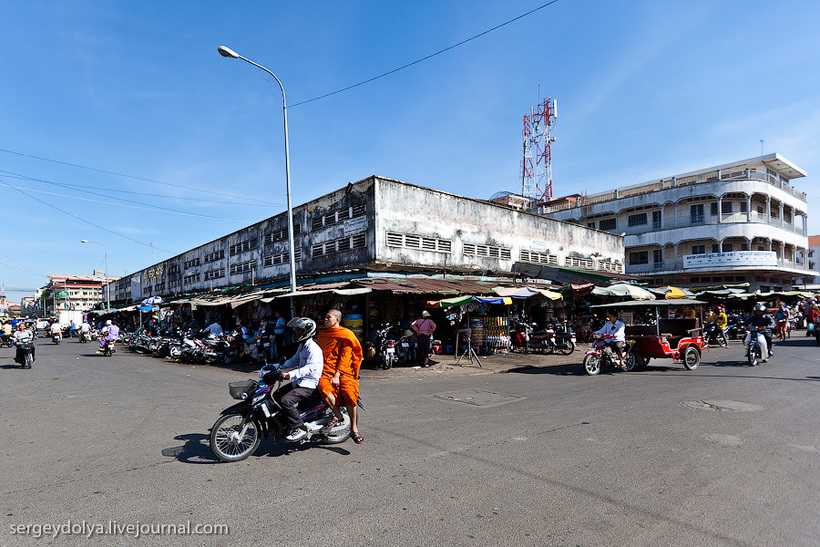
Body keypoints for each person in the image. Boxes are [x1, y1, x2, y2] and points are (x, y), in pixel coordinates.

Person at [260, 317, 323, 441]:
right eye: (297, 330)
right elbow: (293, 361)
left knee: (286, 401)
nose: (296, 332)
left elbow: (309, 368)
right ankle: (287, 419)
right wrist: (275, 366)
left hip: (308, 385)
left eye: (299, 330)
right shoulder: (302, 346)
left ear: (307, 331)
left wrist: (289, 375)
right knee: (277, 395)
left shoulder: (313, 349)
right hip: (300, 382)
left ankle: (299, 427)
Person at [317, 309, 364, 444]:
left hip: (343, 371)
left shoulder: (346, 335)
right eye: (325, 317)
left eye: (329, 317)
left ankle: (354, 428)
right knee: (323, 387)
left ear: (337, 320)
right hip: (326, 369)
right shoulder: (323, 334)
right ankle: (337, 414)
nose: (326, 319)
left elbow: (345, 357)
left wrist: (337, 375)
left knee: (349, 392)